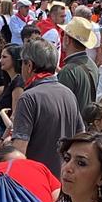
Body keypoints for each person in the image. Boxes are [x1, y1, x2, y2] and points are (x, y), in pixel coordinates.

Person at [12, 40, 84, 178]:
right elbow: (80, 136)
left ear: (29, 66)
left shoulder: (28, 98)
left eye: (22, 62)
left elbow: (19, 150)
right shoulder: (68, 94)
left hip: (36, 181)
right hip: (64, 180)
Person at [56, 16, 99, 110]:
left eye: (64, 35)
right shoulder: (92, 64)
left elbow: (60, 108)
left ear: (67, 40)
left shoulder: (68, 71)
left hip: (73, 123)